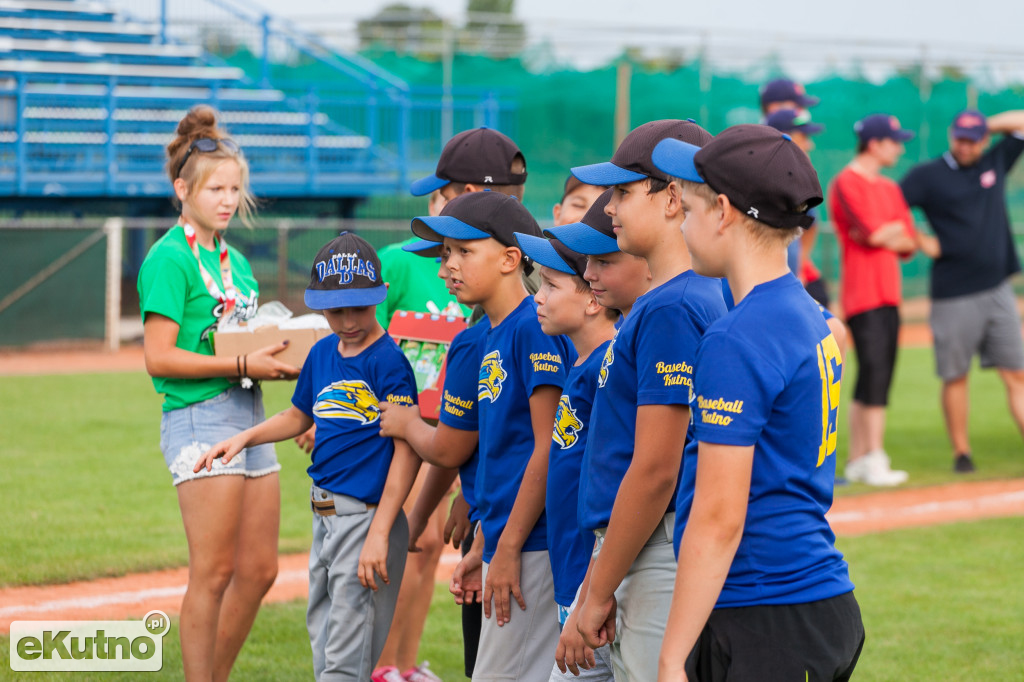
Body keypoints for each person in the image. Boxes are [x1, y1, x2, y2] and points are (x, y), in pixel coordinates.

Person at [651, 123, 864, 682]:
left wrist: (672, 658)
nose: (681, 222)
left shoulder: (736, 337)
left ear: (722, 212)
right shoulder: (805, 312)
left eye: (689, 208)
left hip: (762, 611)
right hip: (818, 599)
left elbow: (719, 519)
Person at [195, 232, 421, 682]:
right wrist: (245, 438)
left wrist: (380, 531)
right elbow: (299, 416)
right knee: (324, 639)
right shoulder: (322, 352)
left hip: (364, 518)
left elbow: (408, 450)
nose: (348, 320)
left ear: (378, 296)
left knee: (344, 657)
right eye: (336, 310)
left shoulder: (389, 362)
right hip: (324, 514)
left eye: (359, 307)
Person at [137, 105, 299, 681]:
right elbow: (158, 356)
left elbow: (250, 345)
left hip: (248, 412)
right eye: (216, 189)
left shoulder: (240, 266)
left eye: (235, 189)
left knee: (259, 571)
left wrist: (283, 366)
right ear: (183, 189)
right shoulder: (169, 258)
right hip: (198, 418)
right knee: (213, 572)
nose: (228, 200)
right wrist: (239, 360)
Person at [568, 120, 728, 681]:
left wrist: (597, 590)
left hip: (653, 543)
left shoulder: (671, 306)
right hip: (641, 540)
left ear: (673, 198)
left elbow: (657, 467)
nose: (608, 207)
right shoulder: (675, 297)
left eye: (624, 192)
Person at [411, 190, 575, 681]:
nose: (447, 267)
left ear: (509, 258)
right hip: (510, 540)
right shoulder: (494, 332)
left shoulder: (532, 328)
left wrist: (506, 547)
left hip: (533, 545)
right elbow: (503, 452)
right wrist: (488, 537)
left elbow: (548, 446)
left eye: (463, 251)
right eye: (445, 255)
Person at [377, 237, 488, 681]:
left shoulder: (492, 317)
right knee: (402, 548)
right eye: (445, 255)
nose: (446, 269)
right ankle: (381, 665)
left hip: (447, 431)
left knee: (422, 552)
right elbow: (363, 337)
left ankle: (403, 665)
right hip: (404, 431)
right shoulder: (397, 261)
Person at [512, 230, 618, 682]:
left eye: (552, 286)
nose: (539, 296)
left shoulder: (607, 367)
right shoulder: (582, 366)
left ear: (592, 300)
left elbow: (614, 495)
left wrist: (589, 595)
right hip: (575, 574)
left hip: (596, 583)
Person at [900, 109, 1024, 473]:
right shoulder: (928, 175)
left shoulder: (995, 160)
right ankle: (962, 453)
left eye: (973, 138)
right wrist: (921, 240)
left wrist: (984, 121)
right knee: (956, 375)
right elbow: (890, 206)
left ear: (984, 138)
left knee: (1016, 373)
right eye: (960, 138)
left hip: (998, 289)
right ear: (951, 136)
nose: (966, 145)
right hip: (953, 294)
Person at [830, 113, 918, 486]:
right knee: (874, 375)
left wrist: (885, 233)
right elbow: (876, 232)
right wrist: (882, 233)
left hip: (890, 293)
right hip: (862, 295)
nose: (899, 148)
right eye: (894, 141)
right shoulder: (846, 182)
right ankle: (873, 457)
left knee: (876, 376)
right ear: (875, 143)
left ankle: (860, 459)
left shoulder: (890, 188)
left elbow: (907, 240)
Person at [764, 109, 848, 347]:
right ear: (784, 137)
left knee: (830, 335)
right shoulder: (759, 176)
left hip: (788, 285)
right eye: (803, 136)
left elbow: (812, 221)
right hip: (762, 290)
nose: (809, 145)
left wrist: (801, 263)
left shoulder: (798, 177)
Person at [548, 188, 653, 320]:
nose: (587, 275)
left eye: (603, 262)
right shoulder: (635, 324)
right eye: (587, 259)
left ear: (650, 262)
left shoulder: (667, 314)